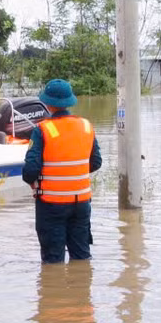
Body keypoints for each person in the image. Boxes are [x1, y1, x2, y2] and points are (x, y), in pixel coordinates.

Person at [21, 79, 102, 264]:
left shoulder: (42, 129)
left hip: (51, 205)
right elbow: (96, 162)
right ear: (70, 101)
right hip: (81, 203)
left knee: (52, 262)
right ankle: (81, 289)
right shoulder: (86, 126)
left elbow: (30, 170)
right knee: (82, 257)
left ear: (48, 103)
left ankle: (54, 290)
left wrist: (36, 181)